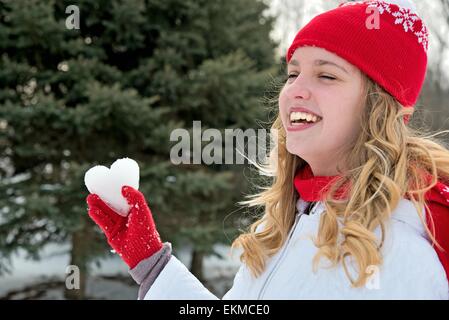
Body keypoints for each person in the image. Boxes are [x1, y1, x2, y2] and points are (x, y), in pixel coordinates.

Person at [86, 0, 449, 299]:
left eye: (327, 75)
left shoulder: (398, 243)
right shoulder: (293, 218)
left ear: (380, 107)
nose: (294, 91)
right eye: (293, 74)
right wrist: (152, 264)